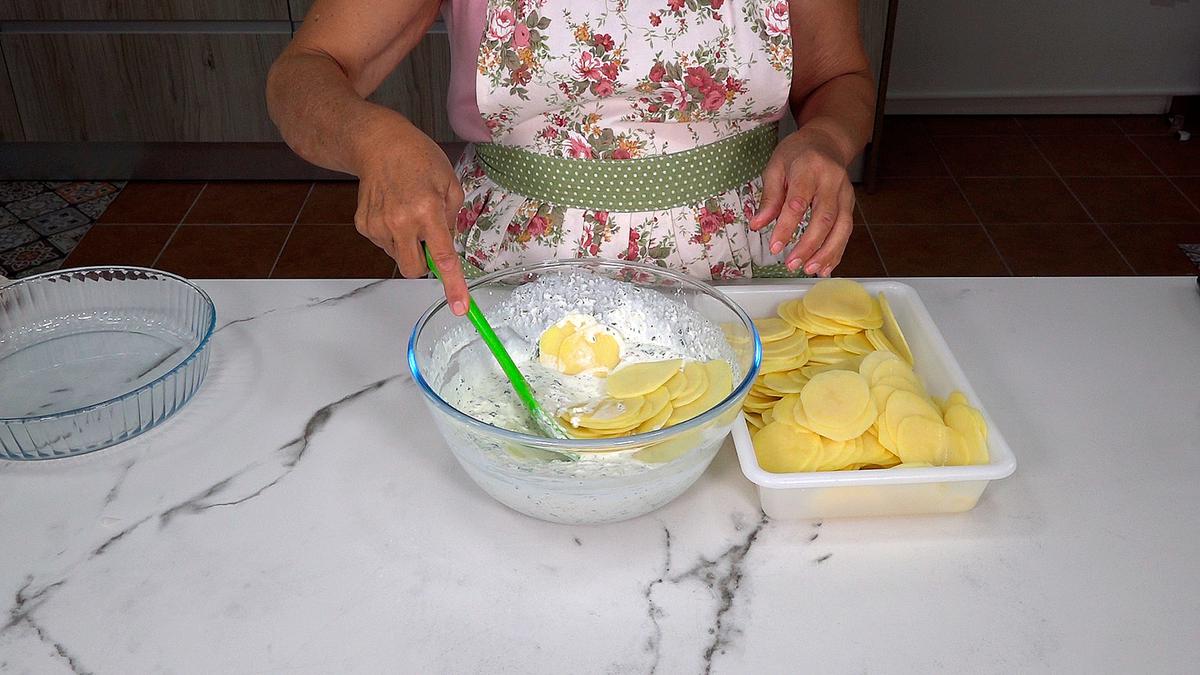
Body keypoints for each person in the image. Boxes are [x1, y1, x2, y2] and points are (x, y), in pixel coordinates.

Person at [267, 0, 875, 316]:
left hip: (748, 248)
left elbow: (839, 76)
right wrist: (374, 138)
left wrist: (826, 138)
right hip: (517, 256)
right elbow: (305, 72)